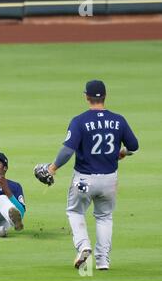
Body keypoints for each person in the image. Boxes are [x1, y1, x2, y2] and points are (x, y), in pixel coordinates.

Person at [37, 80, 139, 270]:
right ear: (105, 96)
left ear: (86, 97)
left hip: (84, 180)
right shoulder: (119, 120)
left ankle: (83, 245)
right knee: (104, 217)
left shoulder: (79, 121)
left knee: (75, 212)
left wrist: (52, 168)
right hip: (109, 180)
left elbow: (67, 151)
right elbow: (134, 146)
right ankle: (102, 261)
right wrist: (122, 153)